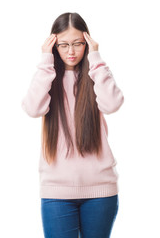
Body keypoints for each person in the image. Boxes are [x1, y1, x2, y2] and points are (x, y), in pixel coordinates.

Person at [22, 12, 124, 238]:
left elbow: (112, 104)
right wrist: (45, 61)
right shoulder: (47, 77)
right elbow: (32, 108)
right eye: (63, 45)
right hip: (56, 192)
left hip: (101, 191)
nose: (71, 51)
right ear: (54, 46)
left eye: (77, 44)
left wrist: (95, 59)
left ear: (86, 44)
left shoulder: (96, 74)